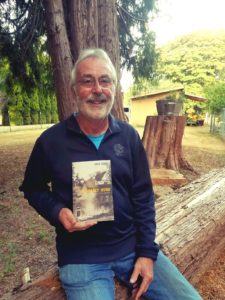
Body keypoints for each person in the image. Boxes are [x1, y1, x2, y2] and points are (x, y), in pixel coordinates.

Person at [20, 48, 202, 300]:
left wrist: (147, 253)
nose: (97, 89)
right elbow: (32, 187)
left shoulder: (128, 137)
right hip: (81, 258)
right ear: (74, 89)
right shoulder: (51, 141)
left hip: (131, 247)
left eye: (105, 81)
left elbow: (143, 196)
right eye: (87, 81)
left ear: (114, 88)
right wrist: (58, 212)